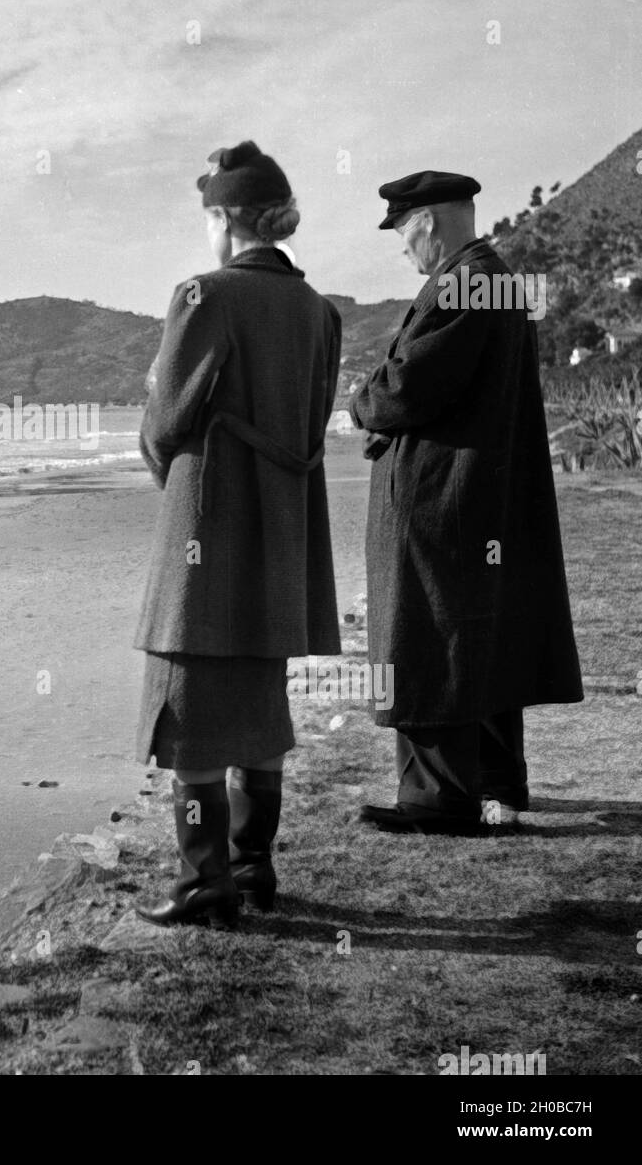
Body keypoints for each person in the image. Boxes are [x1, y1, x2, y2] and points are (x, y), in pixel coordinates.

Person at [133, 140, 342, 929]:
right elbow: (311, 418)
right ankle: (253, 871)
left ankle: (202, 885)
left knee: (183, 705)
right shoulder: (321, 310)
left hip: (209, 521)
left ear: (224, 218)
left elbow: (163, 426)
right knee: (259, 699)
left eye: (208, 217)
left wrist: (170, 465)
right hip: (283, 522)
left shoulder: (203, 295)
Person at [350, 170, 583, 835]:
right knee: (482, 635)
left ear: (424, 222)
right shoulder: (491, 279)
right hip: (476, 491)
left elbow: (405, 386)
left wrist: (359, 403)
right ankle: (496, 781)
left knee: (427, 634)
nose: (401, 249)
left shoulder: (461, 283)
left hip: (441, 498)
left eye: (401, 233)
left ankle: (437, 798)